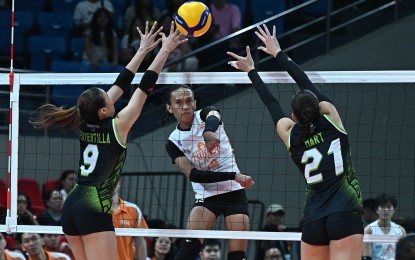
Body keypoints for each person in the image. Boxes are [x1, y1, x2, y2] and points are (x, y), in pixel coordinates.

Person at [30, 21, 187, 260]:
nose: (113, 95)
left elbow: (122, 83)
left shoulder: (85, 117)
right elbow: (144, 87)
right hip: (93, 206)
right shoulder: (118, 125)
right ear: (103, 110)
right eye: (108, 97)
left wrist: (142, 50)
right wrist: (165, 51)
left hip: (72, 202)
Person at [227, 24, 363, 259]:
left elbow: (271, 103)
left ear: (294, 117)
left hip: (313, 218)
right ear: (319, 108)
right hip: (345, 212)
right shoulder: (331, 119)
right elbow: (307, 85)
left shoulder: (290, 133)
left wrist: (251, 70)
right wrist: (278, 53)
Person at [165, 84, 255, 260]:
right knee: (187, 251)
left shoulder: (206, 114)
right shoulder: (173, 142)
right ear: (169, 108)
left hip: (233, 193)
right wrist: (234, 176)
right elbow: (196, 175)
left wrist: (208, 131)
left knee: (238, 256)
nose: (185, 106)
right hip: (206, 196)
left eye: (189, 101)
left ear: (195, 103)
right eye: (179, 102)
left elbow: (214, 116)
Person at [112, 180, 148, 260]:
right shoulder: (94, 210)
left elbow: (140, 241)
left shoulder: (133, 210)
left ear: (119, 183)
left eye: (112, 179)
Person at [363, 193, 406, 260]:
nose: (385, 210)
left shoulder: (400, 230)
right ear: (377, 210)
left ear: (394, 210)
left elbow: (404, 255)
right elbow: (366, 257)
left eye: (389, 207)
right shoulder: (369, 230)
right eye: (382, 207)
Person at [82, 8, 123, 73]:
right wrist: (92, 59)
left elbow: (115, 50)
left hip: (103, 61)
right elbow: (88, 49)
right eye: (99, 16)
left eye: (105, 17)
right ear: (95, 19)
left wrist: (115, 61)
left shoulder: (112, 33)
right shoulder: (90, 31)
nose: (102, 19)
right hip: (88, 60)